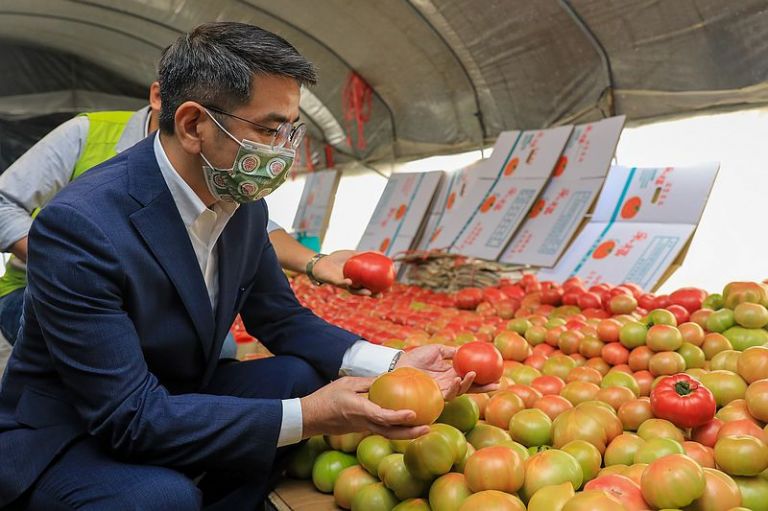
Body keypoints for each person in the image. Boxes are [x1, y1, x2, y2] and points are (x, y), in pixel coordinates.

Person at [0, 22, 489, 510]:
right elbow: (129, 416)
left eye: (290, 131)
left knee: (297, 376)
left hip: (172, 391)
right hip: (77, 426)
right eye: (268, 129)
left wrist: (393, 362)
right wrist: (312, 417)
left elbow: (280, 318)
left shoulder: (241, 203)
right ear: (193, 125)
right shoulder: (82, 225)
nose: (282, 152)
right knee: (160, 498)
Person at [0, 85, 361, 347]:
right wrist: (67, 259)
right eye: (266, 130)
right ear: (165, 100)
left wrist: (316, 262)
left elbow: (258, 231)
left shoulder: (216, 170)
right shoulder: (89, 134)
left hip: (156, 301)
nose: (275, 147)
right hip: (37, 293)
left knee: (221, 351)